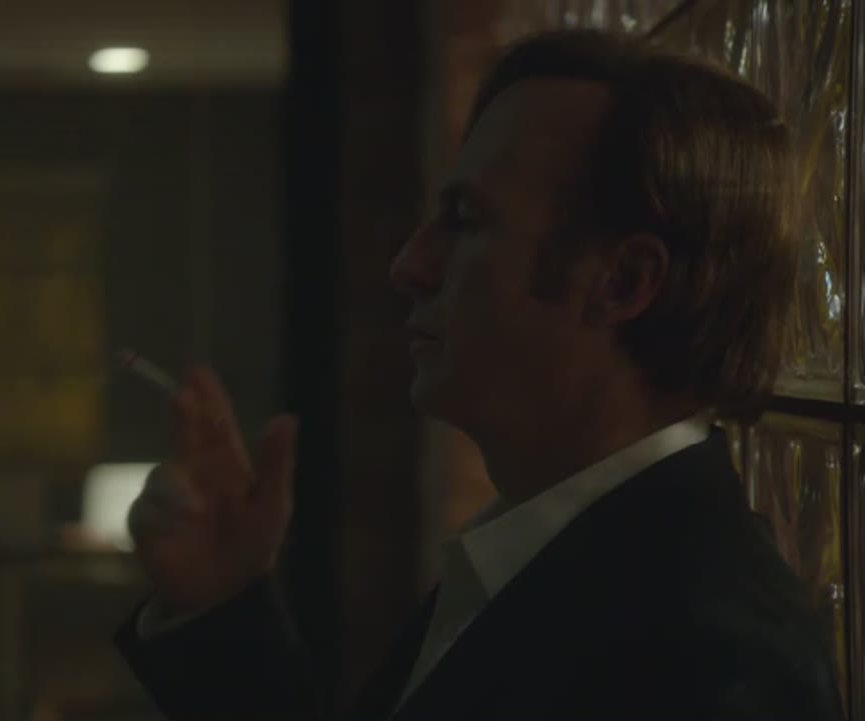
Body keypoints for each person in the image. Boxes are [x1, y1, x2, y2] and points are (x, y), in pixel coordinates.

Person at [114, 29, 846, 720]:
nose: (409, 266)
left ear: (622, 282)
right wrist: (221, 606)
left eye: (465, 220)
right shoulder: (566, 556)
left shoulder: (712, 656)